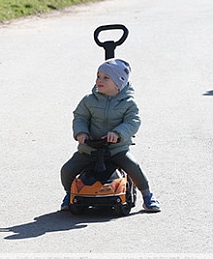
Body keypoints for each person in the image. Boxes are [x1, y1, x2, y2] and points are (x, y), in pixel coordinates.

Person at [60, 59, 161, 213]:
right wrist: (81, 132)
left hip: (116, 148)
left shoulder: (128, 103)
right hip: (90, 147)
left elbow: (133, 121)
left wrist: (118, 133)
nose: (99, 80)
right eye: (98, 76)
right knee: (67, 169)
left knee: (133, 167)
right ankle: (70, 194)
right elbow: (80, 117)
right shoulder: (89, 100)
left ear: (118, 83)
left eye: (105, 78)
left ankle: (147, 197)